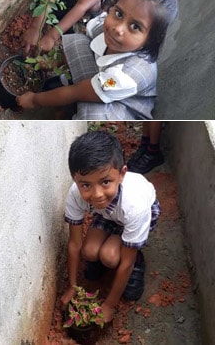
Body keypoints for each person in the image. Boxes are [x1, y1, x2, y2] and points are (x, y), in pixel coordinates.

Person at [17, 0, 178, 119]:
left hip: (120, 106)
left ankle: (70, 111)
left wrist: (34, 100)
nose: (118, 28)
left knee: (91, 111)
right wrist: (50, 63)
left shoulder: (127, 75)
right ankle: (65, 89)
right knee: (78, 42)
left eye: (135, 26)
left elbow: (76, 92)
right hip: (104, 78)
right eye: (119, 14)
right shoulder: (106, 26)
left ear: (151, 39)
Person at [61, 130, 160, 323]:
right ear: (75, 179)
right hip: (107, 213)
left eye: (105, 182)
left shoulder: (135, 205)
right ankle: (102, 258)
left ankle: (138, 259)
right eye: (86, 185)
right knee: (89, 252)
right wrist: (73, 286)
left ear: (122, 174)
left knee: (111, 257)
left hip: (133, 215)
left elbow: (126, 262)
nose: (97, 194)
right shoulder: (75, 194)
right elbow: (74, 244)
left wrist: (109, 305)